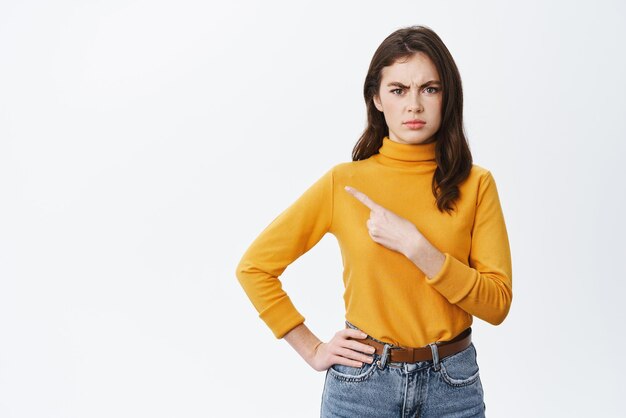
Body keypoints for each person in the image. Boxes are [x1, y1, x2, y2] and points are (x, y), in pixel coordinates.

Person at [235, 24, 512, 418]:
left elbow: (497, 304)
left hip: (453, 387)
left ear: (447, 95)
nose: (414, 105)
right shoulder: (344, 183)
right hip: (361, 387)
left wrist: (419, 250)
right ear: (377, 99)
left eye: (429, 89)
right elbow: (254, 267)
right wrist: (312, 347)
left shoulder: (476, 184)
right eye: (398, 90)